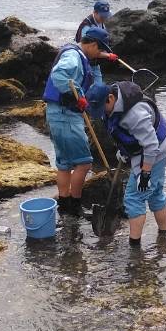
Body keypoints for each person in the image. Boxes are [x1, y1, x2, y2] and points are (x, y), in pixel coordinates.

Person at [42, 25, 118, 213]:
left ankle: (64, 203)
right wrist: (77, 96)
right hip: (65, 116)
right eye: (99, 49)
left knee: (64, 163)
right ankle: (75, 205)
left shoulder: (77, 52)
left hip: (56, 114)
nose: (100, 53)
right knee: (84, 163)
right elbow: (59, 74)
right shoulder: (73, 57)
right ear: (91, 44)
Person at [105, 80, 166, 244]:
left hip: (156, 149)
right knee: (155, 193)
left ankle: (135, 249)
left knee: (134, 198)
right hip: (152, 146)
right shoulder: (111, 105)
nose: (99, 113)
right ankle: (163, 239)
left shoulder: (134, 114)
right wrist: (124, 150)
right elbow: (126, 134)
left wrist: (146, 173)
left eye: (99, 108)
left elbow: (151, 145)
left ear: (110, 99)